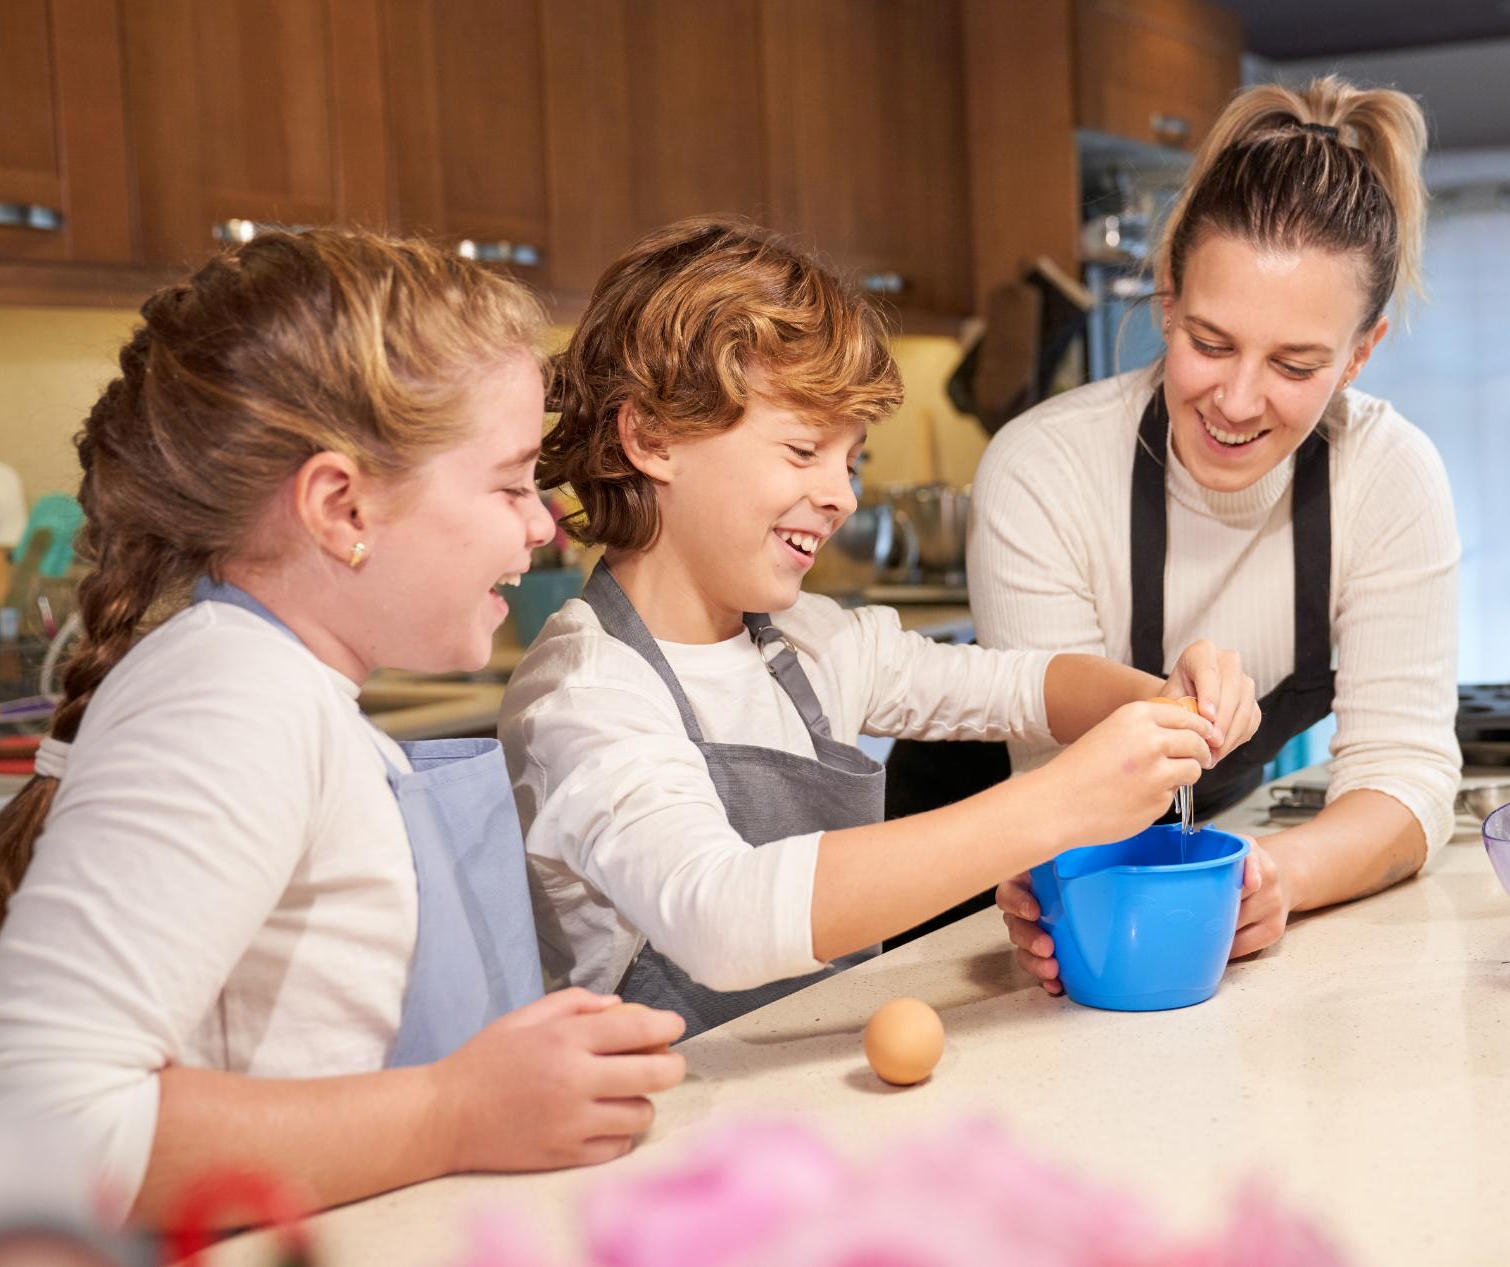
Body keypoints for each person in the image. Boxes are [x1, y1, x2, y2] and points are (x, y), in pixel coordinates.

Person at [0, 230, 684, 1229]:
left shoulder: (282, 685)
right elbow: (20, 1137)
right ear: (341, 508)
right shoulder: (234, 700)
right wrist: (452, 1112)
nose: (544, 524)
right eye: (510, 483)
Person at [499, 218, 1261, 1038]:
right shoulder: (586, 692)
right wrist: (1057, 804)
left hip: (819, 1084)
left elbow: (1020, 687)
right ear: (652, 436)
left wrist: (1163, 701)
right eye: (803, 450)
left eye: (851, 460)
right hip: (671, 1106)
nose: (843, 494)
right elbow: (717, 915)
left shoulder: (812, 641)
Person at [973, 76, 1462, 987]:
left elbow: (1407, 776)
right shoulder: (1044, 471)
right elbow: (1061, 793)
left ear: (1360, 353)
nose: (1237, 401)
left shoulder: (1389, 477)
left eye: (1295, 364)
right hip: (1004, 883)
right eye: (1209, 343)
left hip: (1179, 885)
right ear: (1167, 298)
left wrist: (1274, 878)